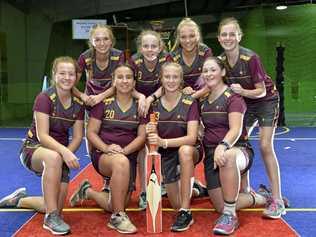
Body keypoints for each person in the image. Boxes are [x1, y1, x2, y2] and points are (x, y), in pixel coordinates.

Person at [0, 56, 84, 235]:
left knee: (52, 204)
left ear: (76, 77)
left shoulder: (78, 104)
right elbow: (42, 136)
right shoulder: (45, 98)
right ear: (54, 75)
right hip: (34, 149)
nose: (67, 77)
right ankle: (50, 218)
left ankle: (19, 201)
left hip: (59, 155)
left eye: (71, 74)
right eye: (62, 73)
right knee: (53, 158)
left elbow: (78, 137)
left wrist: (66, 154)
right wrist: (64, 154)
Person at [217, 17, 285, 219]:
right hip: (245, 102)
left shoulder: (251, 58)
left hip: (265, 100)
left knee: (265, 145)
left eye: (232, 34)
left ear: (239, 36)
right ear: (219, 38)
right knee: (237, 141)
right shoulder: (221, 61)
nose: (228, 38)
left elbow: (261, 91)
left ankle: (277, 199)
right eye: (224, 34)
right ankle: (246, 189)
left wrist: (242, 91)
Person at [72, 64, 146, 234]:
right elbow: (90, 133)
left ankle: (87, 191)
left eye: (128, 77)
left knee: (117, 201)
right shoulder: (103, 103)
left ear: (134, 82)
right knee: (120, 163)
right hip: (104, 155)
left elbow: (142, 137)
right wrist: (106, 148)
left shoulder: (141, 106)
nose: (124, 81)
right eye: (120, 77)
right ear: (113, 81)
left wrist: (125, 151)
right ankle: (118, 217)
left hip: (128, 155)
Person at [197, 57, 268, 235]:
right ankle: (260, 197)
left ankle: (230, 216)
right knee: (219, 205)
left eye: (213, 70)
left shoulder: (233, 97)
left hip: (237, 151)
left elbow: (236, 129)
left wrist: (223, 145)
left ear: (222, 72)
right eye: (205, 71)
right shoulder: (203, 100)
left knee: (228, 158)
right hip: (213, 156)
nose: (208, 74)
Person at [146, 62, 202, 232]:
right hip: (167, 154)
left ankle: (186, 212)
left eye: (175, 77)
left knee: (184, 151)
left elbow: (192, 138)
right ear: (161, 79)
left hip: (189, 150)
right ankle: (197, 190)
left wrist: (164, 142)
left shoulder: (189, 102)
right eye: (167, 77)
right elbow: (152, 141)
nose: (171, 80)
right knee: (175, 203)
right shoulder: (154, 105)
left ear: (181, 80)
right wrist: (151, 133)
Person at [128, 30, 171, 209]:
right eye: (146, 46)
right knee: (142, 149)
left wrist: (150, 98)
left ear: (160, 47)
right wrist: (140, 97)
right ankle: (145, 191)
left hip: (160, 106)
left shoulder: (166, 60)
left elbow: (168, 84)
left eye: (154, 46)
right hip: (139, 108)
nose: (150, 49)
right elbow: (126, 84)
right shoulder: (134, 61)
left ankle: (164, 184)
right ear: (140, 48)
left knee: (160, 147)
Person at [170, 17, 213, 94]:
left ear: (198, 36)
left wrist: (195, 95)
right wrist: (181, 90)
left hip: (204, 94)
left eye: (192, 36)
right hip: (181, 97)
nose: (188, 41)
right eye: (183, 37)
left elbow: (213, 80)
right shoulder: (173, 57)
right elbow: (169, 84)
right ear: (178, 38)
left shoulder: (206, 52)